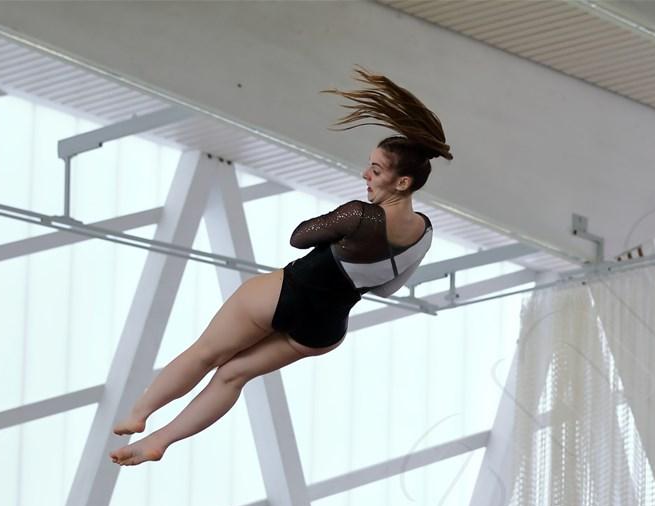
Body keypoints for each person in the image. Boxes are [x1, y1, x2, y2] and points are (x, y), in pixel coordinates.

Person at [110, 70, 452, 467]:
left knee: (206, 353)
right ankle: (160, 441)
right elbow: (387, 288)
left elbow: (300, 237)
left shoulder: (360, 215)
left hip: (282, 295)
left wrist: (340, 231)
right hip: (324, 329)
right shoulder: (424, 232)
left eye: (375, 170)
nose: (365, 174)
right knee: (234, 376)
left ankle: (139, 413)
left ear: (402, 182)